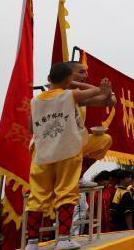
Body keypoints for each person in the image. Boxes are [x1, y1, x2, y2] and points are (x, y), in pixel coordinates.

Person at [24, 62, 111, 250]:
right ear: (69, 79)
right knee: (66, 193)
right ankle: (63, 239)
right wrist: (97, 88)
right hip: (67, 151)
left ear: (48, 79)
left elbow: (31, 127)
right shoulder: (70, 95)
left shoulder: (35, 101)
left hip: (42, 154)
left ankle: (31, 243)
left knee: (37, 196)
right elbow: (99, 93)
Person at [66, 61, 116, 176]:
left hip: (75, 141)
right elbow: (103, 95)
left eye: (86, 72)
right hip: (61, 143)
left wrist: (107, 93)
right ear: (68, 74)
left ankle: (79, 175)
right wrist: (104, 92)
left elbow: (111, 101)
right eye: (82, 72)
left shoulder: (80, 93)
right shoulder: (63, 93)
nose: (86, 75)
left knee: (104, 139)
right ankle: (72, 176)